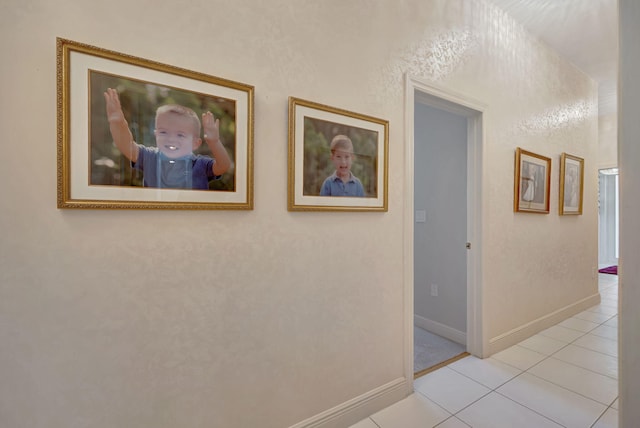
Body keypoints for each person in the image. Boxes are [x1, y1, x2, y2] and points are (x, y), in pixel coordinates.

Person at [103, 88, 231, 190]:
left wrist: (214, 142)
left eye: (180, 135)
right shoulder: (150, 157)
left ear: (195, 143)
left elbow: (224, 166)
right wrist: (118, 122)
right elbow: (127, 146)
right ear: (156, 134)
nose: (171, 139)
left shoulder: (200, 165)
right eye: (163, 132)